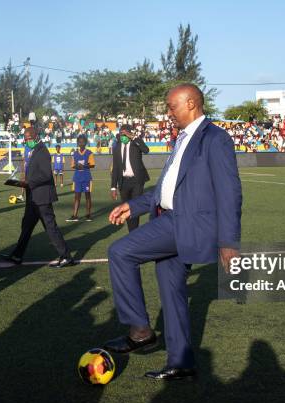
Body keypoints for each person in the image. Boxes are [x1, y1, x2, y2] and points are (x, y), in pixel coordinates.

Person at [103, 84, 242, 380]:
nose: (168, 113)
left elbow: (230, 193)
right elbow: (166, 189)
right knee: (172, 292)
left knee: (120, 252)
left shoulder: (215, 138)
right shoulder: (182, 139)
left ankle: (139, 330)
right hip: (169, 219)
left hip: (187, 224)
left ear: (190, 103)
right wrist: (135, 206)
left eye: (171, 106)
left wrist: (229, 241)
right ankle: (181, 361)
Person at [1, 128, 75, 268]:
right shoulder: (34, 151)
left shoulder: (42, 151)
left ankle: (66, 257)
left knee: (50, 227)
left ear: (36, 137)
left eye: (29, 138)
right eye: (25, 138)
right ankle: (17, 255)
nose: (27, 140)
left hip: (42, 197)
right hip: (33, 197)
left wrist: (30, 182)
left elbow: (47, 175)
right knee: (26, 227)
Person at [110, 124, 150, 231]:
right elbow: (116, 168)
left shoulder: (135, 143)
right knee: (125, 207)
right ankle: (132, 232)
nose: (122, 136)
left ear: (129, 134)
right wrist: (113, 187)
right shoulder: (117, 147)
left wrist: (134, 137)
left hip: (137, 180)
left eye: (125, 134)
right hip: (123, 182)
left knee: (134, 207)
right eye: (121, 133)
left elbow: (146, 150)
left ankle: (134, 232)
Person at [66, 135, 95, 222]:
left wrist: (84, 165)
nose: (81, 143)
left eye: (83, 142)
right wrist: (77, 166)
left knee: (87, 196)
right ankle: (75, 215)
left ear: (85, 143)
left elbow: (92, 164)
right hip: (77, 178)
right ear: (78, 143)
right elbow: (72, 165)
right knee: (77, 197)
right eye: (79, 142)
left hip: (86, 178)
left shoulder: (89, 153)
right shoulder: (74, 154)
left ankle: (88, 214)